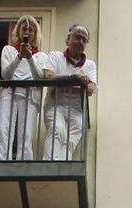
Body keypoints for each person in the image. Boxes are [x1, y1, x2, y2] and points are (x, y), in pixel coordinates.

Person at [0, 16, 46, 161]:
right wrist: (19, 56)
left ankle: (24, 161)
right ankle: (2, 161)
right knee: (5, 130)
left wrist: (29, 57)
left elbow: (38, 78)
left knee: (26, 133)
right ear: (19, 32)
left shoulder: (41, 56)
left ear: (35, 34)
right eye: (24, 29)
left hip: (29, 95)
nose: (27, 32)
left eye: (31, 30)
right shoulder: (9, 50)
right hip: (8, 94)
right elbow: (6, 74)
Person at [43, 24, 96, 160]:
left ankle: (62, 167)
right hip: (55, 105)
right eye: (78, 37)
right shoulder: (55, 56)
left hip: (77, 110)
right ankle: (50, 166)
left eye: (84, 40)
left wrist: (60, 81)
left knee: (70, 141)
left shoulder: (89, 65)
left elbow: (90, 89)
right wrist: (74, 79)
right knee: (57, 130)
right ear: (68, 39)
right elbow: (48, 76)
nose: (81, 42)